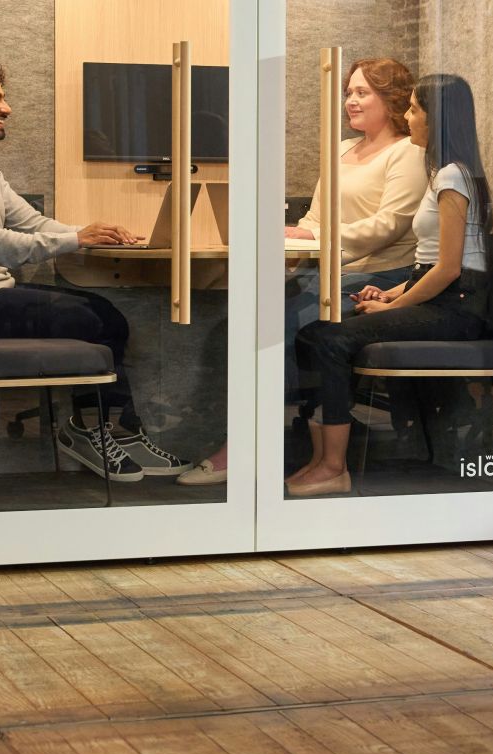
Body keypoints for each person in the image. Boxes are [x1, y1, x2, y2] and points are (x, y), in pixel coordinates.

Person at [0, 50, 190, 483]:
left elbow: (30, 222)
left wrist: (90, 230)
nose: (7, 108)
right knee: (91, 317)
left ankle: (115, 430)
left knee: (107, 316)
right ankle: (91, 430)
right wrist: (75, 239)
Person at [182, 57, 427, 486]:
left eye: (361, 92)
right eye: (348, 92)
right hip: (329, 272)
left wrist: (315, 241)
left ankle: (251, 447)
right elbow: (315, 219)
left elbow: (389, 226)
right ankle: (250, 439)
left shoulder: (407, 153)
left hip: (381, 277)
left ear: (391, 100)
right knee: (240, 326)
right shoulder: (342, 150)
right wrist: (295, 236)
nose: (350, 100)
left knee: (275, 327)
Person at [286, 74, 491, 497]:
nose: (409, 116)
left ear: (438, 119)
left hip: (456, 307)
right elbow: (429, 263)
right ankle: (322, 454)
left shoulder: (454, 177)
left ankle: (333, 466)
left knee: (332, 340)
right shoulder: (443, 174)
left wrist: (394, 307)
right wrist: (389, 293)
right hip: (436, 295)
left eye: (415, 109)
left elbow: (450, 270)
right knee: (313, 333)